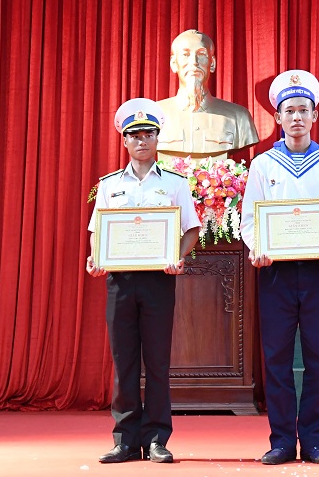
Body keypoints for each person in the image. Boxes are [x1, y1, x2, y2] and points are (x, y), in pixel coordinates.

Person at [239, 69, 319, 465]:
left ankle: (316, 440)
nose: (296, 117)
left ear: (315, 116)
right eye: (289, 111)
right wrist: (258, 248)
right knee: (276, 359)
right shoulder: (263, 164)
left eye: (303, 110)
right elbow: (250, 220)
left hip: (318, 271)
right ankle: (281, 441)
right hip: (274, 272)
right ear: (277, 117)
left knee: (318, 358)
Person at [86, 98, 201, 464]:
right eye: (134, 135)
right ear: (124, 140)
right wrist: (97, 259)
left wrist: (177, 256)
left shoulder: (175, 184)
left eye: (148, 134)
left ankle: (156, 439)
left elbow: (192, 228)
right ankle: (124, 440)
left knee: (157, 362)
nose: (141, 141)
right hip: (120, 282)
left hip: (158, 282)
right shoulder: (110, 185)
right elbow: (97, 229)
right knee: (124, 362)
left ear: (157, 138)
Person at [157, 29, 260, 160]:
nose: (194, 62)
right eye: (185, 54)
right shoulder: (154, 114)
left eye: (201, 54)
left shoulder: (239, 117)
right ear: (173, 64)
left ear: (212, 63)